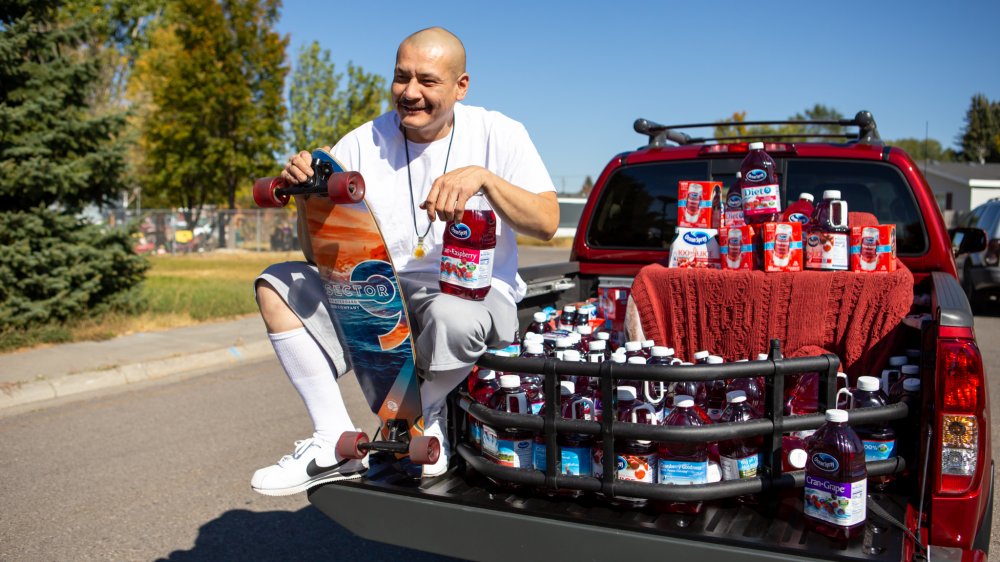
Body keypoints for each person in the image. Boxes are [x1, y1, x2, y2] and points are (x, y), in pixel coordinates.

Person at [250, 27, 559, 496]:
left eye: (427, 82)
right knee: (277, 283)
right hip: (382, 291)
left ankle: (422, 419)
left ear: (461, 86)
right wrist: (306, 195)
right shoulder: (359, 142)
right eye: (401, 77)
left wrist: (484, 179)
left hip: (472, 293)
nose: (410, 93)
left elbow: (547, 222)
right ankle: (331, 436)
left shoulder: (500, 133)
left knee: (451, 314)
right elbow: (319, 255)